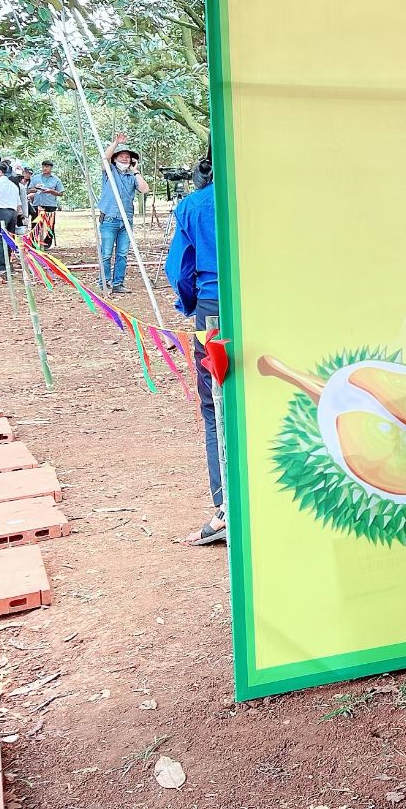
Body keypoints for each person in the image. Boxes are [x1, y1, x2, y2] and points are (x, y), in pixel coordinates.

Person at [166, 150, 224, 546]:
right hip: (270, 304)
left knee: (214, 404)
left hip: (214, 308)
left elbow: (178, 270)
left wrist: (192, 304)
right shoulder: (268, 197)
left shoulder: (193, 206)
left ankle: (226, 509)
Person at [98, 132, 149, 294]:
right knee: (106, 253)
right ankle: (105, 283)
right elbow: (104, 158)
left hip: (126, 220)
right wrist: (116, 143)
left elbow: (144, 189)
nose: (125, 159)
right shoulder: (110, 172)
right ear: (115, 159)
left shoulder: (131, 175)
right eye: (121, 156)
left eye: (128, 157)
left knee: (122, 254)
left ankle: (118, 283)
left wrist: (135, 171)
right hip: (110, 219)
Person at [28, 160, 63, 248]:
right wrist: (36, 189)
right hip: (37, 204)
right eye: (43, 166)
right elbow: (29, 189)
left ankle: (47, 243)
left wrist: (51, 191)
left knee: (49, 225)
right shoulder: (35, 178)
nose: (45, 168)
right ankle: (34, 243)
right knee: (35, 224)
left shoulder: (56, 180)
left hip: (50, 204)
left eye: (47, 167)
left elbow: (61, 193)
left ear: (51, 168)